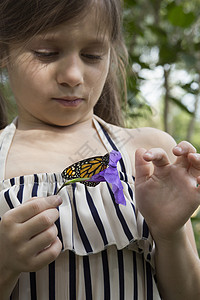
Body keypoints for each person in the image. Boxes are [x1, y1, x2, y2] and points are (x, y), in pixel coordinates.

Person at [0, 0, 200, 299]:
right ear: (5, 51)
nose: (73, 75)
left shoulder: (148, 154)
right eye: (46, 53)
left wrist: (170, 234)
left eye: (92, 55)